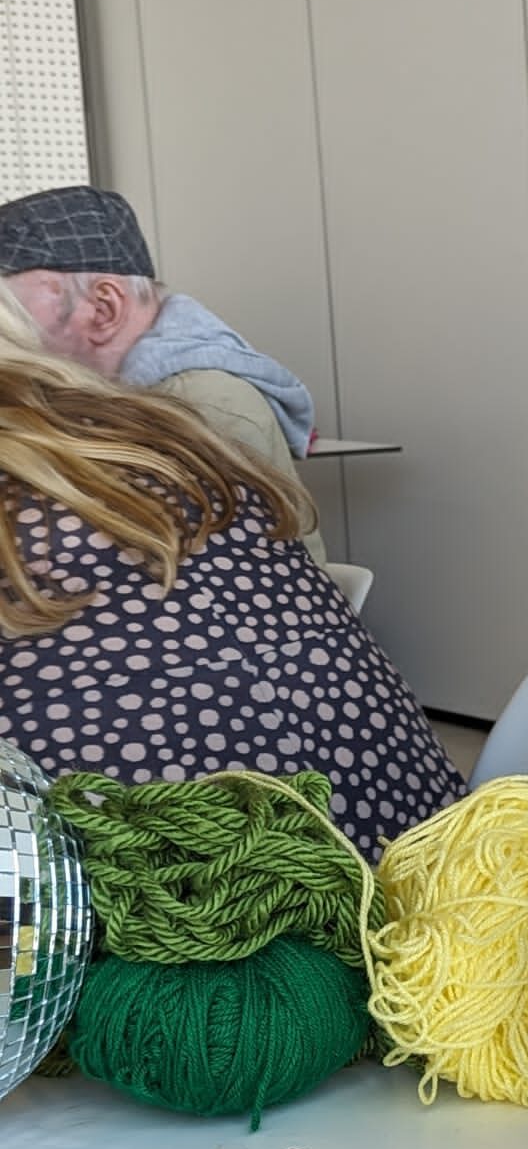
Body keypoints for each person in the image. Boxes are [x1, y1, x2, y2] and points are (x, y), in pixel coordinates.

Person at [0, 295, 463, 858]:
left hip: (215, 900)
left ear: (107, 304)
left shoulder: (201, 392)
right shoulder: (159, 420)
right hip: (418, 843)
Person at [0, 184, 327, 564]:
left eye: (9, 314)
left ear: (103, 308)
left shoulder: (202, 401)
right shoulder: (120, 396)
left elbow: (212, 580)